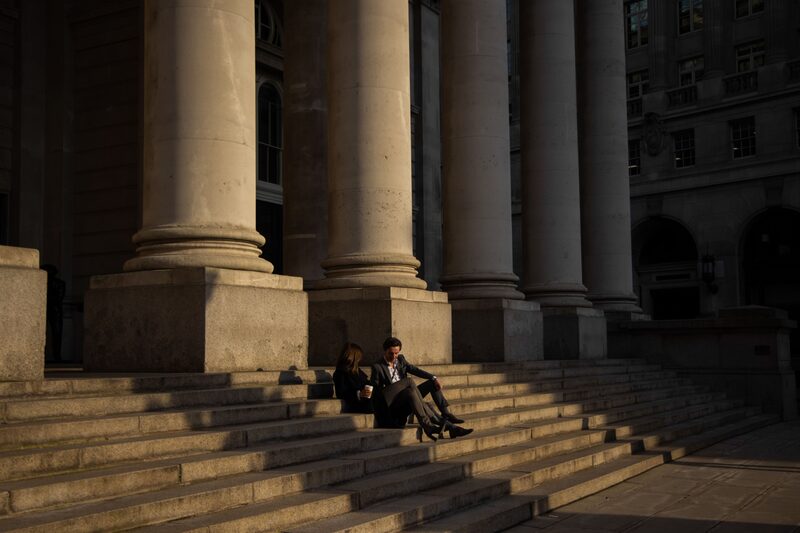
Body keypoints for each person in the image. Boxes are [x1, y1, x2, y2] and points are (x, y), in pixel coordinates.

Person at [370, 337, 472, 441]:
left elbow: (415, 370)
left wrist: (433, 377)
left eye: (396, 353)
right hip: (390, 402)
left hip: (405, 398)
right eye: (391, 353)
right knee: (409, 382)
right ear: (385, 351)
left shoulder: (400, 360)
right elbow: (375, 391)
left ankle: (448, 419)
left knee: (427, 385)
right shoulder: (377, 366)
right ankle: (435, 424)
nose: (394, 356)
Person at [332, 342, 374, 414]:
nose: (360, 360)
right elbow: (341, 393)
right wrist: (359, 394)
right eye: (359, 358)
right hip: (358, 403)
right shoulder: (341, 373)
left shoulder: (357, 370)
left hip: (368, 400)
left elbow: (367, 382)